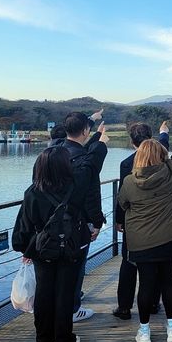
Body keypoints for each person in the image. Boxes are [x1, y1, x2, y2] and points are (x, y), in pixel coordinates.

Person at [12, 137, 106, 342]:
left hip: (43, 249)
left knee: (44, 293)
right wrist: (99, 141)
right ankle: (63, 340)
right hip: (72, 246)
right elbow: (91, 163)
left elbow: (23, 228)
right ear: (66, 165)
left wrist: (26, 249)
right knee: (65, 293)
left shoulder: (32, 192)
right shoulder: (77, 185)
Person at [118, 103, 172, 342]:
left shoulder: (129, 182)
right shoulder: (171, 172)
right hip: (168, 239)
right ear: (161, 155)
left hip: (141, 243)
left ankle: (144, 332)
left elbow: (123, 204)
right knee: (168, 282)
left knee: (145, 285)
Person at [112, 121, 170, 320]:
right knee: (155, 263)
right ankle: (153, 303)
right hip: (159, 220)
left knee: (128, 263)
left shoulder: (126, 164)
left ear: (131, 142)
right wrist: (164, 132)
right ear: (151, 138)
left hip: (134, 221)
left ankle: (124, 307)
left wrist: (119, 220)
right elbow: (163, 141)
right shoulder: (161, 155)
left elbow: (122, 195)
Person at [60, 109, 107, 322]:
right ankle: (72, 309)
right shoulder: (84, 162)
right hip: (77, 223)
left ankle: (61, 307)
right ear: (85, 131)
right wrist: (96, 222)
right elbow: (90, 194)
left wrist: (94, 125)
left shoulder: (54, 152)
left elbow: (81, 147)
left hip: (52, 223)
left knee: (57, 270)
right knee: (76, 267)